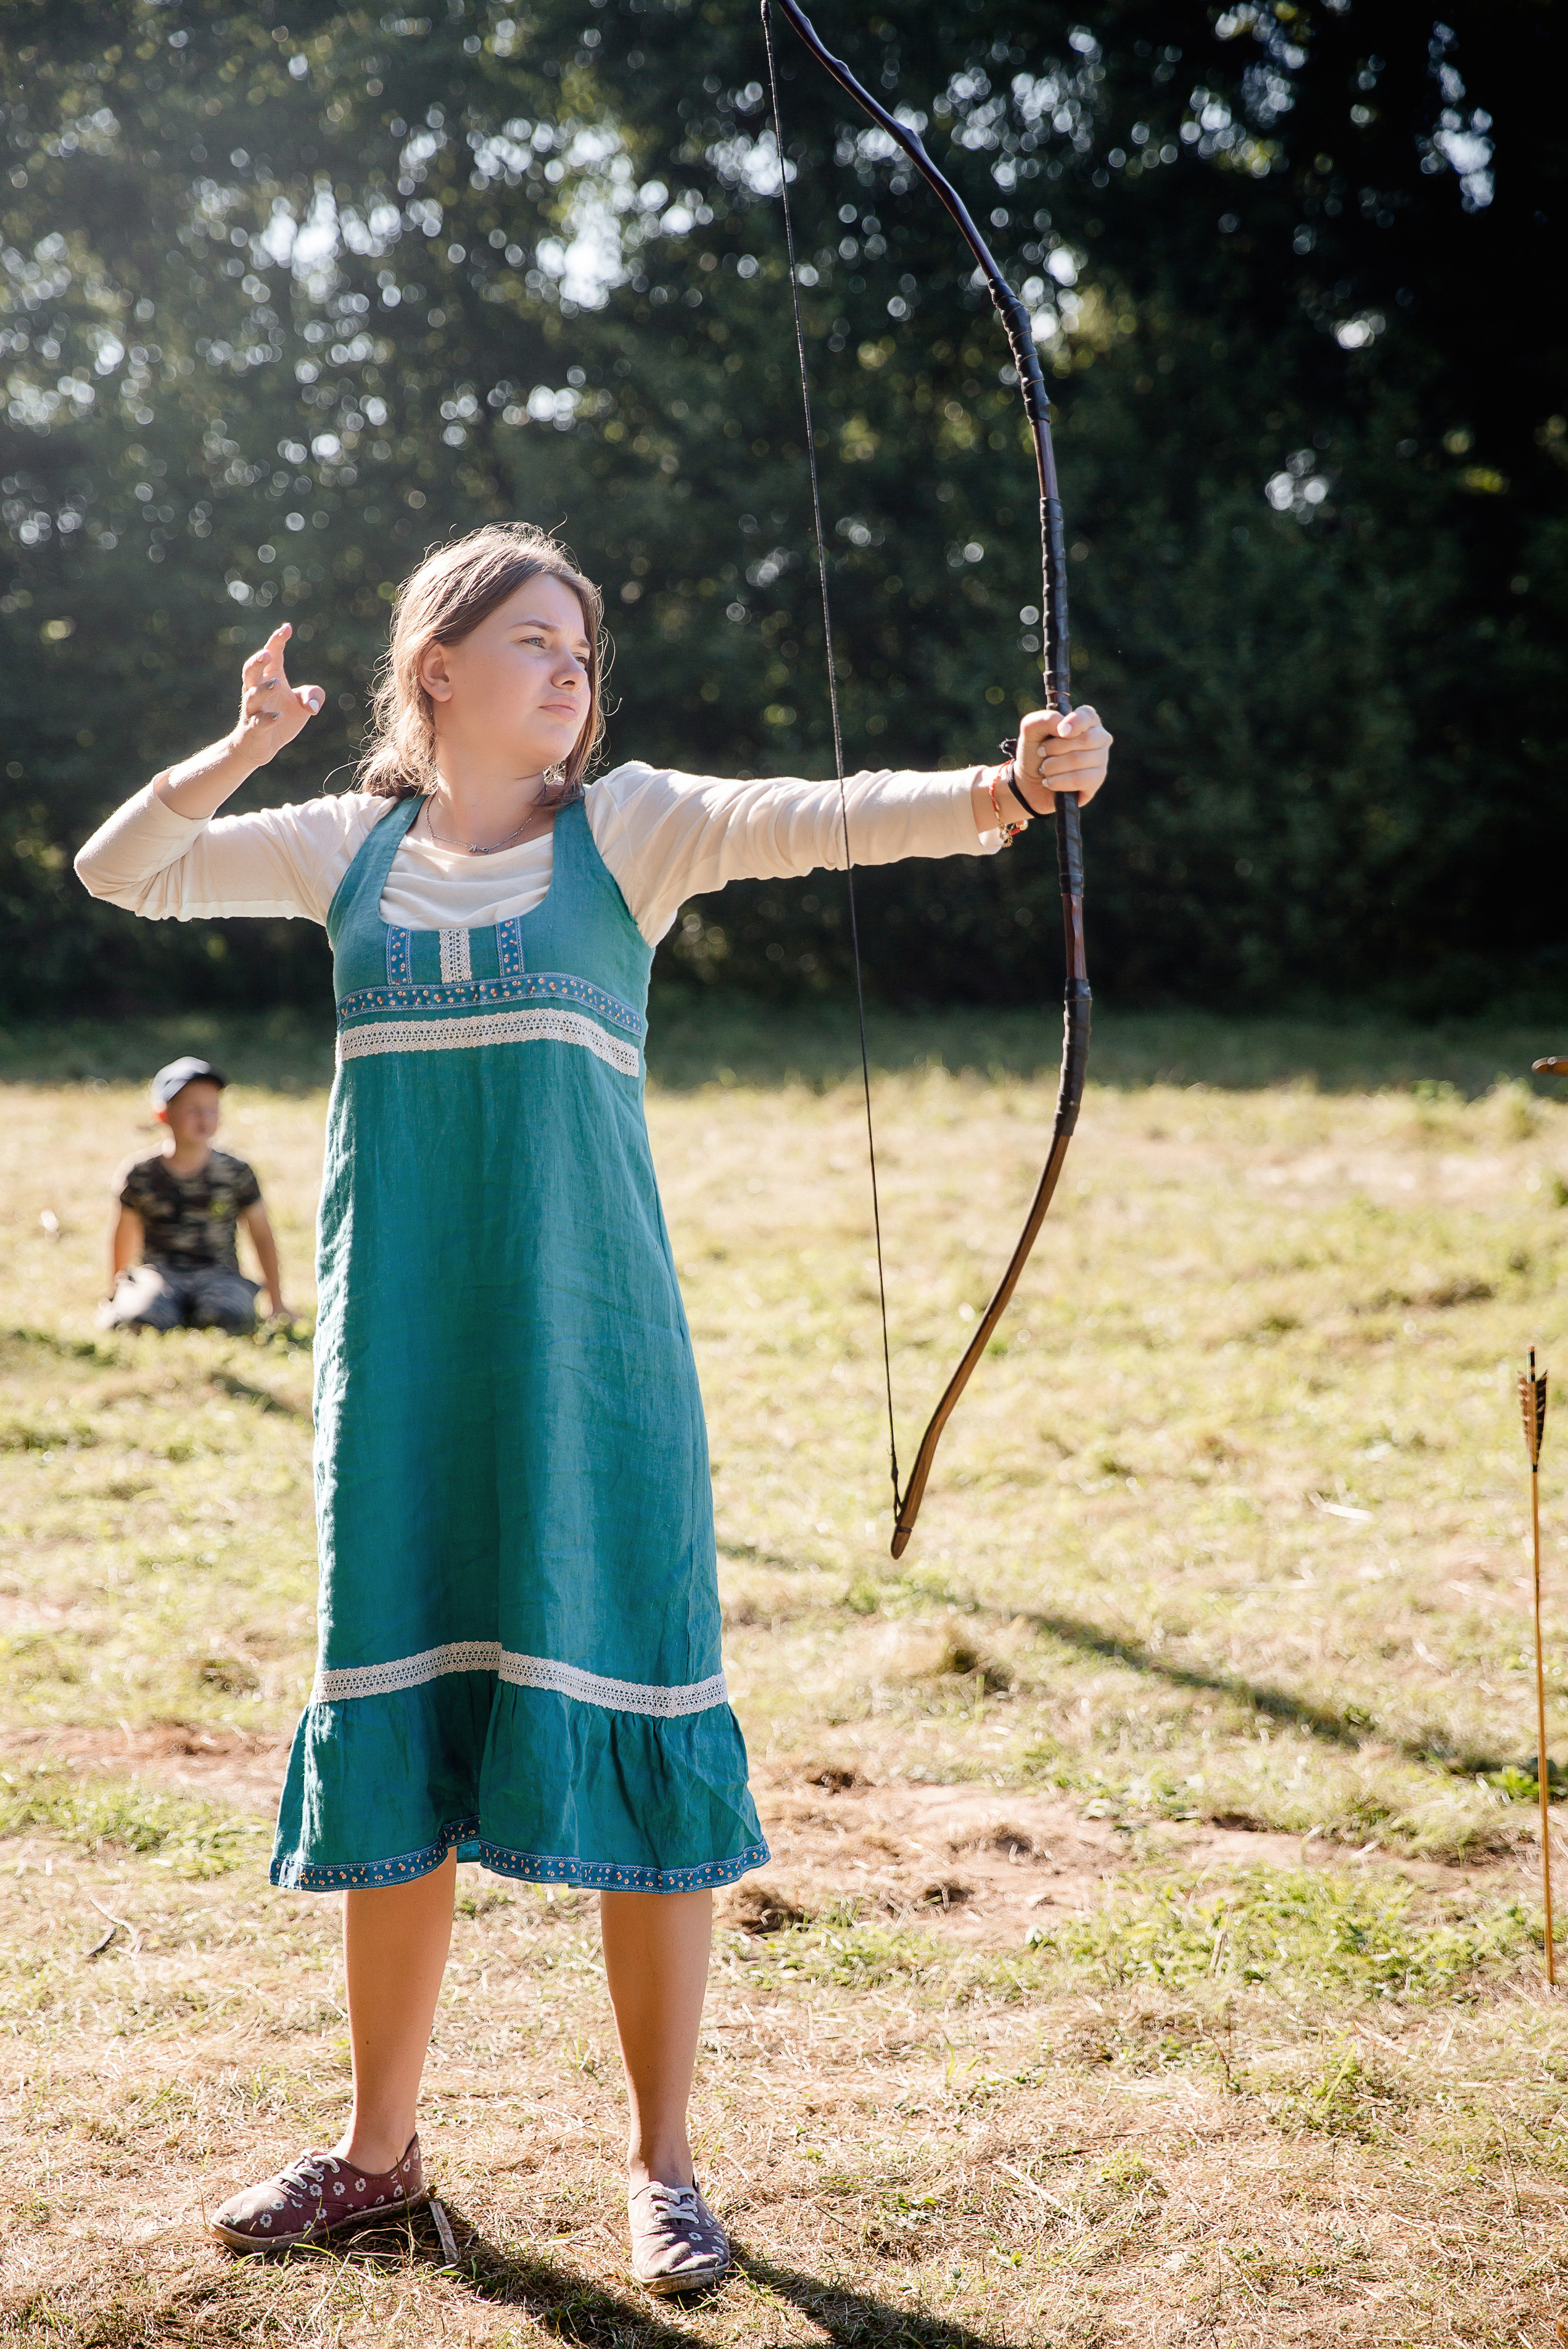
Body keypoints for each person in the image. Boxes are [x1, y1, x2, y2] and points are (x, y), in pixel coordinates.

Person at [74, 523, 1110, 2290]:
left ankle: (664, 2167)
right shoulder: (345, 848)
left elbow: (820, 816)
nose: (571, 673)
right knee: (400, 1721)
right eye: (535, 644)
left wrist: (1005, 789)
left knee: (640, 1697)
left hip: (598, 1365)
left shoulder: (626, 829)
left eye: (583, 649)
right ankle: (378, 2155)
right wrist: (242, 746)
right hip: (403, 1373)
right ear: (438, 672)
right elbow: (123, 869)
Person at [102, 1056, 287, 1334]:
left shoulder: (236, 1171)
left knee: (228, 1318)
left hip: (221, 1276)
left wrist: (277, 1302)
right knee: (138, 1320)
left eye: (212, 1109)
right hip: (159, 1276)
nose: (204, 1118)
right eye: (192, 1109)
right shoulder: (140, 1174)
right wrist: (115, 1292)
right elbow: (122, 1234)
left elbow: (261, 1235)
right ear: (163, 1114)